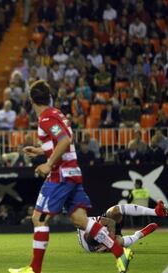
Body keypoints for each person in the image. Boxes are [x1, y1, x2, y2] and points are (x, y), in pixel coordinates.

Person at [8, 80, 132, 273]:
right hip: (72, 173)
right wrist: (41, 151)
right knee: (80, 220)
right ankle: (119, 251)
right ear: (48, 97)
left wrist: (48, 164)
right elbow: (61, 140)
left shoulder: (46, 118)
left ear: (31, 100)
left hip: (61, 175)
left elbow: (64, 141)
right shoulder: (57, 114)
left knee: (39, 219)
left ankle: (35, 268)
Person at [77, 201, 167, 253]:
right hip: (97, 243)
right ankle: (139, 234)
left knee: (115, 210)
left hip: (110, 227)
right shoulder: (90, 246)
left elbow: (111, 222)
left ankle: (155, 211)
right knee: (119, 241)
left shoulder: (87, 222)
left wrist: (110, 243)